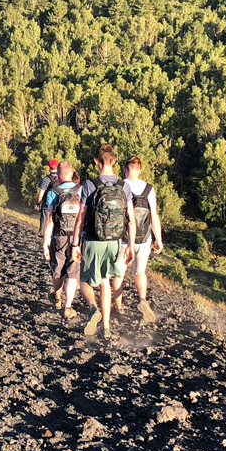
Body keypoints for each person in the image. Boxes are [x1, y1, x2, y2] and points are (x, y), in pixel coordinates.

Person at [71, 144, 136, 340]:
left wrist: (75, 244)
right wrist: (130, 245)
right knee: (105, 282)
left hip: (93, 239)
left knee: (84, 280)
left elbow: (81, 217)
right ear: (114, 161)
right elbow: (130, 220)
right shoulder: (124, 186)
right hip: (115, 241)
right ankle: (106, 328)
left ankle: (93, 309)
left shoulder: (90, 185)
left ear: (96, 162)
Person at [112, 156, 164, 323]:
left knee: (119, 274)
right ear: (140, 169)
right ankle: (142, 300)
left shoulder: (119, 186)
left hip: (123, 240)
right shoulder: (149, 188)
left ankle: (118, 308)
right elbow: (154, 216)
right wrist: (159, 239)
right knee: (139, 273)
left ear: (125, 169)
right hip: (144, 240)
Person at [42, 161, 81, 319]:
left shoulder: (54, 192)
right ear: (72, 174)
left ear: (58, 175)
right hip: (77, 237)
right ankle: (68, 306)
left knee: (58, 271)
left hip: (59, 236)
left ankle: (57, 298)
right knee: (73, 273)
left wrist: (45, 244)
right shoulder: (81, 190)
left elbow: (49, 220)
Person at [35, 159, 60, 234]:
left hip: (47, 204)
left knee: (45, 220)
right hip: (59, 204)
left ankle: (42, 234)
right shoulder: (61, 178)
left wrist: (37, 203)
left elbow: (41, 194)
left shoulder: (46, 179)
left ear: (49, 167)